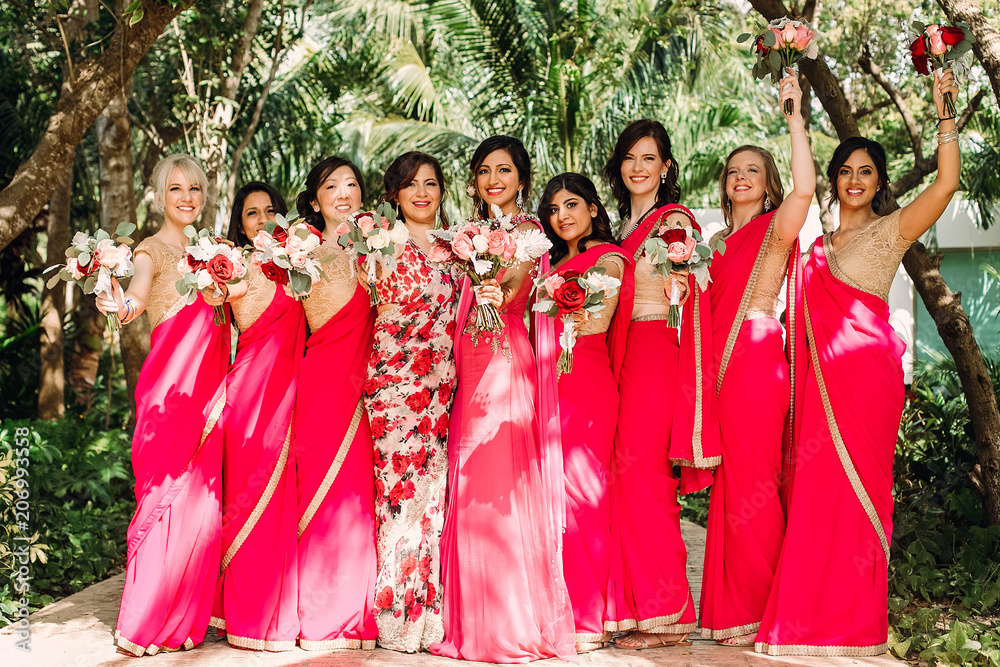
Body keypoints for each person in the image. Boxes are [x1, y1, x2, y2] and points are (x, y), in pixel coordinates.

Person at [755, 69, 961, 657]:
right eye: (845, 171)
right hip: (818, 388)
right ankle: (805, 620)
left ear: (879, 182)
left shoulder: (893, 230)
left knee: (860, 492)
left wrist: (944, 112)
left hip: (867, 382)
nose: (853, 180)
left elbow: (946, 185)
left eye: (864, 172)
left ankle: (854, 622)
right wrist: (794, 117)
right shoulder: (815, 246)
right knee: (817, 492)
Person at [430, 136, 576, 663]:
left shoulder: (530, 233)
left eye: (505, 171)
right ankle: (469, 620)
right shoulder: (466, 235)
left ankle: (507, 622)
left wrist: (495, 284)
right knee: (465, 477)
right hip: (465, 360)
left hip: (504, 359)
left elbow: (514, 288)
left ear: (521, 179)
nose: (495, 179)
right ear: (474, 182)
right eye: (485, 171)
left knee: (493, 479)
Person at [96, 154, 235, 656]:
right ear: (158, 196)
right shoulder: (150, 251)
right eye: (176, 189)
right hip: (169, 399)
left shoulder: (217, 253)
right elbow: (134, 298)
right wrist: (119, 304)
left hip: (211, 397)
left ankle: (185, 621)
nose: (187, 198)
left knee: (201, 507)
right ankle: (145, 620)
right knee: (160, 499)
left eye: (195, 189)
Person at [700, 70, 814, 646]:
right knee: (729, 484)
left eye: (753, 170)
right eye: (733, 171)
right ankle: (734, 611)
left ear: (767, 183)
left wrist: (794, 117)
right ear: (724, 184)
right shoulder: (711, 244)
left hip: (756, 358)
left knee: (755, 481)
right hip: (713, 365)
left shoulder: (775, 227)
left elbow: (804, 191)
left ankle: (775, 608)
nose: (741, 178)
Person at [602, 120, 720, 650]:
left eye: (649, 158)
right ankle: (633, 605)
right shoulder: (618, 227)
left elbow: (690, 295)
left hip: (653, 352)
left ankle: (667, 612)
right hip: (617, 355)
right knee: (623, 481)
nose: (638, 167)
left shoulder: (673, 223)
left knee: (645, 478)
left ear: (666, 166)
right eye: (630, 157)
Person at [537, 173, 634, 653]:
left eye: (572, 205)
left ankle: (588, 614)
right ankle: (558, 605)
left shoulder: (610, 259)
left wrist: (569, 310)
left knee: (585, 491)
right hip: (547, 380)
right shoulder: (552, 263)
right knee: (554, 494)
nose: (563, 216)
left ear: (594, 208)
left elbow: (604, 312)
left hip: (588, 377)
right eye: (554, 210)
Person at [364, 152, 457, 652]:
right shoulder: (379, 243)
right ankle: (396, 617)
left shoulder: (457, 246)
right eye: (410, 184)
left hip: (443, 391)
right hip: (394, 391)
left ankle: (429, 613)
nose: (422, 192)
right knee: (398, 499)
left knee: (432, 504)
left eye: (431, 183)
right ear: (394, 194)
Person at [210, 182, 303, 651]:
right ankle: (236, 611)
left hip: (292, 391)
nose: (263, 220)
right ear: (239, 223)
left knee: (280, 501)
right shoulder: (233, 266)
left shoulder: (299, 265)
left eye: (271, 211)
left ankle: (273, 611)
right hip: (247, 394)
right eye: (252, 214)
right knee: (245, 497)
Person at [293, 156, 379, 650]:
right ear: (314, 199)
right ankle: (321, 612)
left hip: (375, 384)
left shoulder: (380, 246)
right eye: (332, 185)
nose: (343, 193)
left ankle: (357, 612)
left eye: (351, 184)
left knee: (358, 496)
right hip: (322, 380)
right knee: (321, 492)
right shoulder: (297, 252)